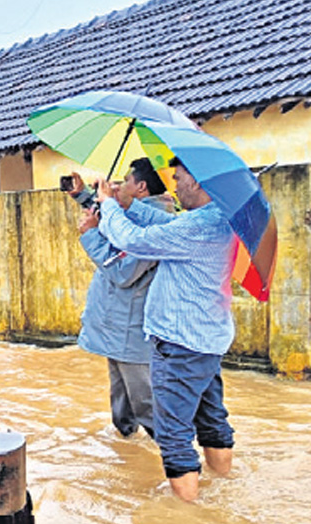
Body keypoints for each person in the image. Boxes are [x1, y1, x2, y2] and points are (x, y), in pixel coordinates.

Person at [97, 157, 237, 503]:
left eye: (178, 178)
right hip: (207, 341)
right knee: (212, 421)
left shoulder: (197, 228)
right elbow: (167, 223)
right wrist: (129, 204)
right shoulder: (218, 218)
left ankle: (187, 521)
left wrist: (108, 207)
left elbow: (133, 240)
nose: (173, 185)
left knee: (174, 437)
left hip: (179, 344)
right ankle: (224, 487)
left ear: (199, 182)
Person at [72, 159, 173, 440]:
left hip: (133, 331)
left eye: (125, 181)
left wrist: (91, 234)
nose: (117, 185)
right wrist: (82, 196)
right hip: (116, 329)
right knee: (122, 409)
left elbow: (122, 271)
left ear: (140, 187)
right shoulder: (134, 216)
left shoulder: (155, 231)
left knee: (147, 407)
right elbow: (112, 220)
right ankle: (129, 458)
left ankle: (176, 467)